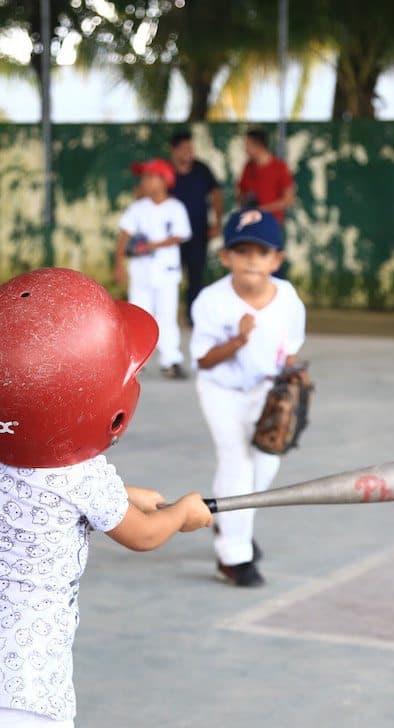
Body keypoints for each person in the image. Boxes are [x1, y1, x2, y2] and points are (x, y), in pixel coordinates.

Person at [0, 267, 213, 728]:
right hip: (23, 689)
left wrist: (126, 494)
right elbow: (145, 536)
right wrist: (183, 514)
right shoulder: (81, 475)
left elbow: (52, 491)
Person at [190, 208, 306, 587]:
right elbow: (204, 360)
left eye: (262, 252)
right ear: (226, 257)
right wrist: (239, 340)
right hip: (221, 391)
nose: (252, 260)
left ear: (277, 259)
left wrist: (296, 378)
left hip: (265, 392)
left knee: (265, 466)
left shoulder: (288, 298)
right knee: (237, 464)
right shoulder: (211, 300)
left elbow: (290, 351)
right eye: (242, 251)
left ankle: (229, 518)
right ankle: (234, 555)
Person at [114, 158, 192, 379]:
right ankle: (136, 361)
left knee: (166, 315)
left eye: (150, 177)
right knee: (139, 314)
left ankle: (171, 360)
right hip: (141, 271)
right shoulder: (138, 208)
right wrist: (118, 264)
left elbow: (180, 235)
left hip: (166, 271)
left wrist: (151, 245)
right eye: (144, 177)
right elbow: (124, 237)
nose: (144, 182)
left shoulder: (175, 207)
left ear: (164, 180)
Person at [168, 130, 223, 323]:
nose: (189, 152)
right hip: (170, 237)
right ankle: (167, 318)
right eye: (184, 149)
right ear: (173, 151)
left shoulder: (202, 169)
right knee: (170, 277)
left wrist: (217, 223)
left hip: (199, 232)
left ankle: (193, 318)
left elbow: (216, 194)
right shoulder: (165, 172)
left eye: (190, 148)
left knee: (196, 276)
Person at [236, 129, 295, 279]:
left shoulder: (279, 167)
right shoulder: (248, 167)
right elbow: (241, 193)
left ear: (258, 145)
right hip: (250, 226)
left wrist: (261, 210)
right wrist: (246, 205)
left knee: (272, 267)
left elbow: (288, 200)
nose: (245, 150)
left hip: (271, 225)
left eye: (248, 145)